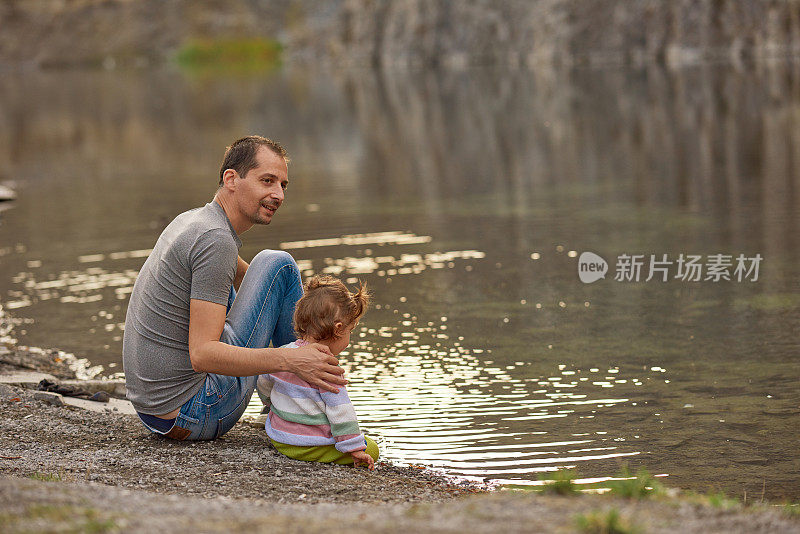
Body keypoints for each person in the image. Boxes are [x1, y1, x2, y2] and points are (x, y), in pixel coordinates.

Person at [122, 136, 346, 441]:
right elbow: (202, 355)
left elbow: (254, 282)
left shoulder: (194, 220)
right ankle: (306, 410)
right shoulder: (216, 240)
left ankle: (300, 395)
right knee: (278, 263)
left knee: (274, 268)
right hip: (193, 412)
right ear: (231, 179)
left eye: (283, 185)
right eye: (267, 181)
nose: (278, 194)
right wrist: (290, 359)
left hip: (155, 412)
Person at [257, 275, 379, 470]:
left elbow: (263, 383)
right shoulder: (327, 366)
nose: (349, 337)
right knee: (371, 448)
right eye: (350, 330)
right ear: (339, 329)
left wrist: (272, 406)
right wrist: (355, 447)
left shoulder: (284, 353)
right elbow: (340, 411)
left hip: (280, 438)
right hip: (308, 446)